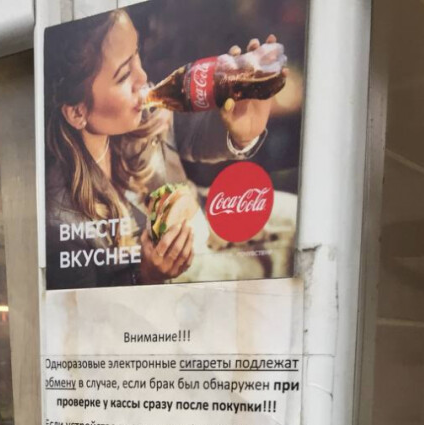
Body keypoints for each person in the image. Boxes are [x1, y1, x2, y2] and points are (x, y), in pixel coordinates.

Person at [45, 9, 285, 289]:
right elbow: (87, 309)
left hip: (213, 223)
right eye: (124, 76)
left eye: (136, 53)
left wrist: (241, 133)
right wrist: (145, 277)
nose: (143, 77)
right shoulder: (61, 220)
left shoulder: (146, 110)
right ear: (77, 112)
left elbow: (194, 134)